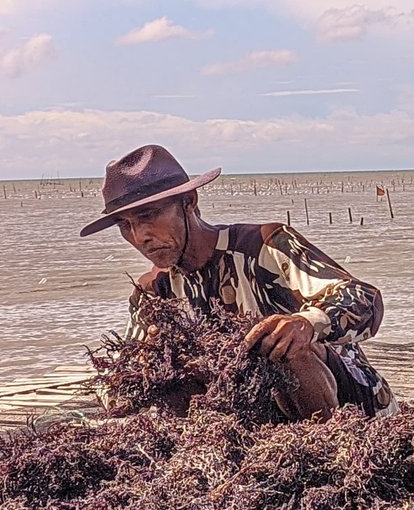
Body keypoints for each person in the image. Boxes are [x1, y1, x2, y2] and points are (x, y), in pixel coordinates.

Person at [80, 144, 394, 419]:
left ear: (189, 201)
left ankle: (328, 451)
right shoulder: (153, 292)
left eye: (148, 216)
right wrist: (145, 360)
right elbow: (115, 394)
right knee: (169, 368)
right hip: (255, 418)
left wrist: (306, 322)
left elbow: (363, 298)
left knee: (281, 345)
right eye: (126, 226)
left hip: (351, 406)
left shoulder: (265, 245)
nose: (140, 237)